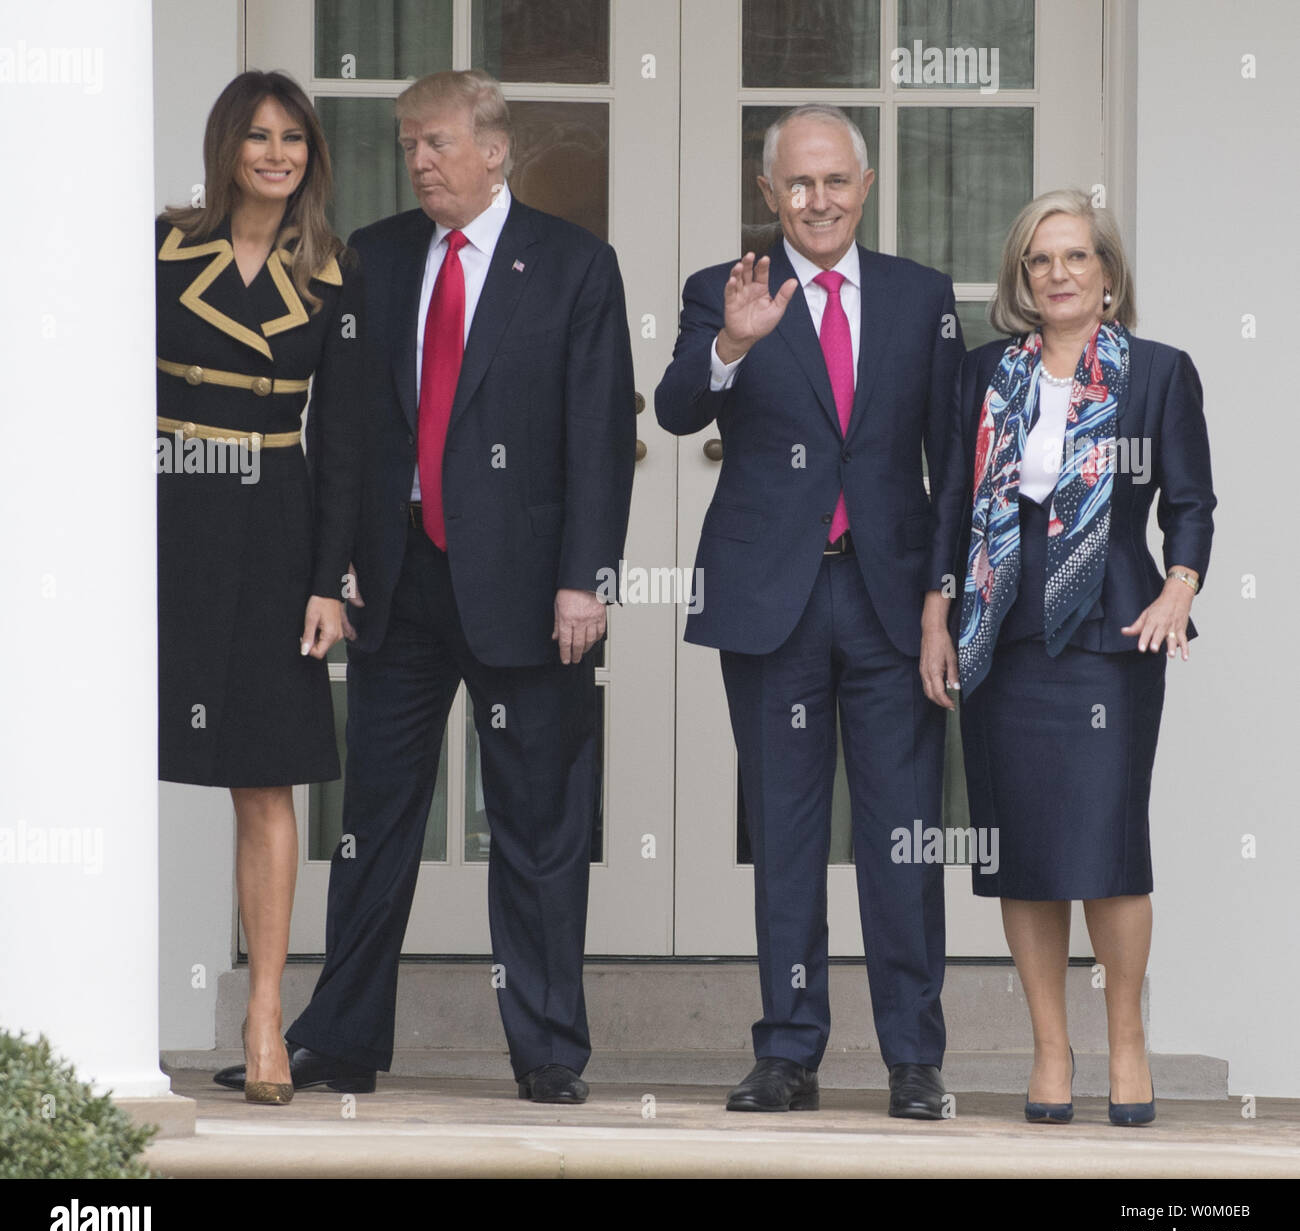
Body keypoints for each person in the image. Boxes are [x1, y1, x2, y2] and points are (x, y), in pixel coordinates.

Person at [215, 69, 635, 1104]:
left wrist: (586, 581)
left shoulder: (576, 266)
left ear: (495, 152)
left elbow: (598, 436)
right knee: (373, 824)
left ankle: (545, 1050)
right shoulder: (378, 257)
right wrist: (343, 555)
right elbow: (350, 428)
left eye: (437, 143)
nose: (419, 161)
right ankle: (341, 1038)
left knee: (537, 831)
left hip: (533, 594)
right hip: (397, 583)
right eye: (408, 144)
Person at [655, 104, 963, 1117]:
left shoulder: (922, 300)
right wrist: (730, 351)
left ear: (864, 188)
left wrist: (940, 597)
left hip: (887, 602)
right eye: (798, 183)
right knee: (785, 834)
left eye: (835, 182)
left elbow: (954, 466)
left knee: (901, 835)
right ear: (767, 193)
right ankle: (787, 1051)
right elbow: (674, 409)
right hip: (772, 599)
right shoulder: (725, 291)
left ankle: (914, 1059)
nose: (818, 200)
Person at [922, 189, 1215, 1126]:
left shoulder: (1158, 373)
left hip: (1112, 634)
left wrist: (1182, 583)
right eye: (1040, 260)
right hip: (1002, 635)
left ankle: (1125, 1036)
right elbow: (950, 508)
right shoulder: (979, 376)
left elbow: (1194, 501)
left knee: (1110, 845)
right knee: (1026, 850)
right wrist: (938, 611)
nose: (1057, 274)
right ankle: (1050, 1048)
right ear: (1022, 278)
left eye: (1075, 257)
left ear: (1108, 276)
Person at [157, 70, 361, 1103]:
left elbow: (347, 444)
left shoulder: (333, 273)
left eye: (293, 138)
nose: (276, 153)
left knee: (266, 779)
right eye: (257, 136)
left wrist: (328, 579)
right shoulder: (157, 247)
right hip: (159, 518)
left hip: (273, 530)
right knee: (106, 768)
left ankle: (266, 1017)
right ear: (227, 146)